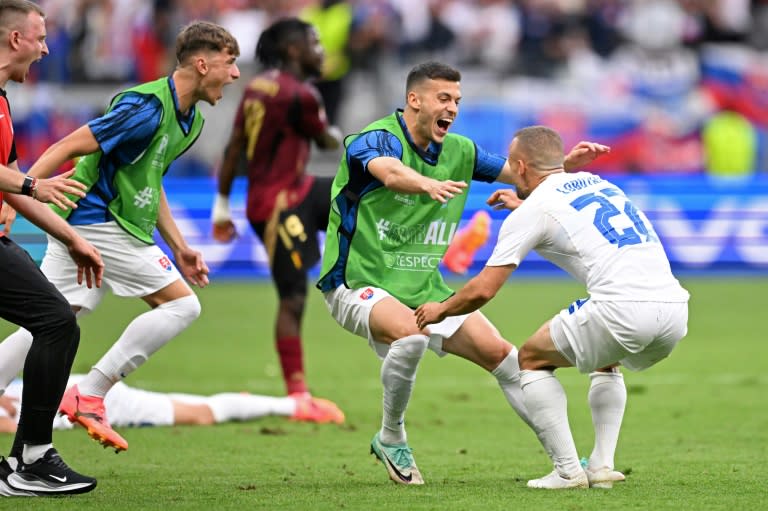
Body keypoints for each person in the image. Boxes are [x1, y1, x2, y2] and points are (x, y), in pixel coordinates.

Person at [315, 61, 609, 485]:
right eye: (443, 98)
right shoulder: (372, 140)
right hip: (357, 283)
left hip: (424, 288)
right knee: (410, 337)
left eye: (456, 100)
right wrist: (425, 184)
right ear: (414, 100)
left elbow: (524, 175)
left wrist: (563, 166)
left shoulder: (460, 151)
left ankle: (567, 463)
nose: (452, 108)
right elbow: (390, 172)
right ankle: (392, 436)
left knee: (507, 360)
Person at [0, 19, 241, 456]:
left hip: (100, 222)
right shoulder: (144, 107)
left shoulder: (189, 123)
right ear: (203, 64)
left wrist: (180, 246)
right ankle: (90, 392)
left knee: (57, 316)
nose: (237, 74)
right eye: (230, 63)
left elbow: (151, 177)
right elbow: (67, 146)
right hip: (100, 218)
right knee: (182, 305)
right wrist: (17, 195)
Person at [415, 125, 690, 489]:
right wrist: (525, 205)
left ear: (520, 166)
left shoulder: (534, 211)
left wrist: (441, 309)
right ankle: (601, 466)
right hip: (674, 309)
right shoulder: (599, 183)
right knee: (607, 359)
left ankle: (567, 471)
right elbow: (563, 211)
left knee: (531, 358)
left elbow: (483, 289)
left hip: (623, 310)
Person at [211, 17, 343, 418]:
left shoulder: (257, 87)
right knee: (293, 297)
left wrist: (221, 204)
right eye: (314, 43)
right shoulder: (300, 95)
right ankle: (297, 395)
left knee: (351, 194)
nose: (321, 51)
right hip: (281, 206)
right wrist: (334, 134)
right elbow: (324, 139)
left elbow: (235, 146)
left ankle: (371, 260)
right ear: (292, 50)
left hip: (287, 193)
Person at [0, 0, 105, 497]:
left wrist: (72, 237)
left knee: (56, 321)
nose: (46, 49)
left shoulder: (2, 103)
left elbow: (13, 185)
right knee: (57, 323)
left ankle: (26, 460)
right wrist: (29, 186)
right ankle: (32, 459)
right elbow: (20, 184)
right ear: (15, 39)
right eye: (40, 38)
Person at [0, 374, 345, 434]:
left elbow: (12, 428)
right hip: (76, 387)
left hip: (88, 406)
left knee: (202, 416)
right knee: (200, 408)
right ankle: (271, 405)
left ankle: (294, 408)